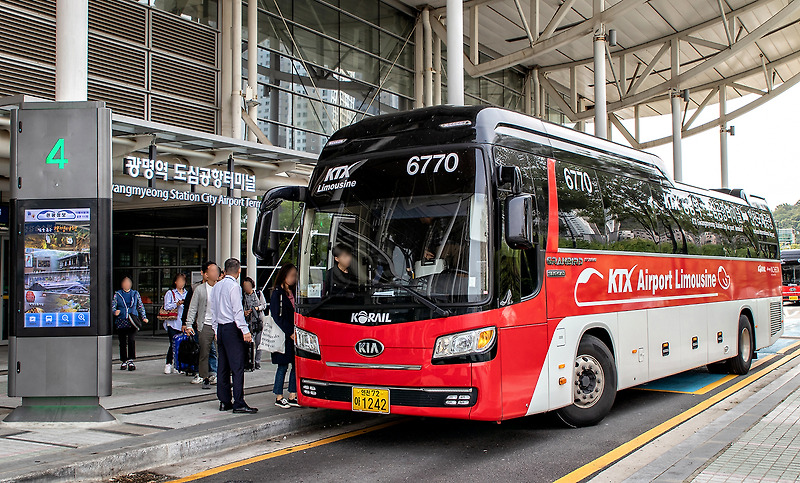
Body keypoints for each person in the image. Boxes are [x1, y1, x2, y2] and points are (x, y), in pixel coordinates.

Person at [212, 258, 257, 414]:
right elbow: (237, 311)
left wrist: (215, 329)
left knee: (222, 366)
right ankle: (239, 402)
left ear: (224, 270)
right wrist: (245, 331)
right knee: (237, 367)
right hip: (232, 328)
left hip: (221, 328)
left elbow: (213, 311)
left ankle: (224, 401)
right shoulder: (234, 287)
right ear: (239, 271)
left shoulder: (217, 286)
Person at [185, 262, 221, 389]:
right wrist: (188, 324)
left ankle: (218, 376)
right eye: (212, 271)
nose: (215, 273)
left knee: (220, 352)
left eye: (216, 270)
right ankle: (204, 377)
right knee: (204, 352)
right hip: (204, 325)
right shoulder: (200, 289)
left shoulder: (221, 287)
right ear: (206, 274)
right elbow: (193, 308)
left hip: (219, 325)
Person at [271, 263, 300, 409]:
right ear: (284, 275)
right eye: (291, 276)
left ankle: (293, 394)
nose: (294, 279)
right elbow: (276, 315)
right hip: (284, 335)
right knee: (282, 366)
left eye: (295, 276)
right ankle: (278, 395)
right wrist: (289, 332)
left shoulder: (295, 291)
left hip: (295, 333)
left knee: (296, 365)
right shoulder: (277, 292)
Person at [111, 276, 148, 371]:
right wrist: (115, 312)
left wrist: (144, 317)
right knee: (122, 342)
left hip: (132, 320)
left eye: (128, 282)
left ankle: (131, 360)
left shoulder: (135, 293)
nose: (127, 284)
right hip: (121, 320)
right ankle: (123, 361)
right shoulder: (117, 294)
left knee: (131, 339)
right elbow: (113, 306)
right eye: (125, 282)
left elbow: (140, 306)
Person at [163, 273, 189, 375]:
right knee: (172, 344)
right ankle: (169, 363)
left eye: (183, 281)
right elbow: (166, 307)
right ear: (175, 282)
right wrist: (176, 304)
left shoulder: (186, 293)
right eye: (179, 281)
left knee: (182, 345)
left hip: (183, 323)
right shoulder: (170, 293)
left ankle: (179, 365)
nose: (181, 283)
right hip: (172, 322)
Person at [242, 276, 267, 370]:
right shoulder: (243, 296)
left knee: (259, 343)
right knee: (249, 344)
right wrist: (245, 313)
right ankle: (250, 361)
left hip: (258, 321)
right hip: (248, 322)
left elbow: (264, 305)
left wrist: (257, 308)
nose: (247, 288)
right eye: (245, 286)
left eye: (248, 285)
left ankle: (257, 362)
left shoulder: (258, 293)